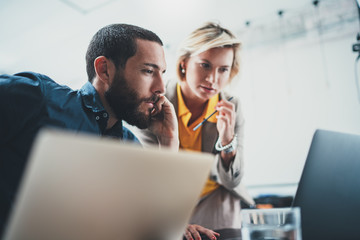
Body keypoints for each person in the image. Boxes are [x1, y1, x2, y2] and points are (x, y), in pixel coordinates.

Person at [0, 23, 218, 240]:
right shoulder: (39, 98)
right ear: (104, 69)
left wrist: (168, 141)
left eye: (161, 73)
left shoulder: (130, 147)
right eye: (148, 71)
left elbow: (146, 221)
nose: (161, 87)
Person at [130, 22, 256, 236]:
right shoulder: (156, 101)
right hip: (171, 198)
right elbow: (151, 176)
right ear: (184, 63)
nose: (212, 79)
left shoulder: (231, 106)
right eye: (204, 65)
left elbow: (232, 180)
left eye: (223, 69)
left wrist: (227, 141)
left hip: (216, 197)